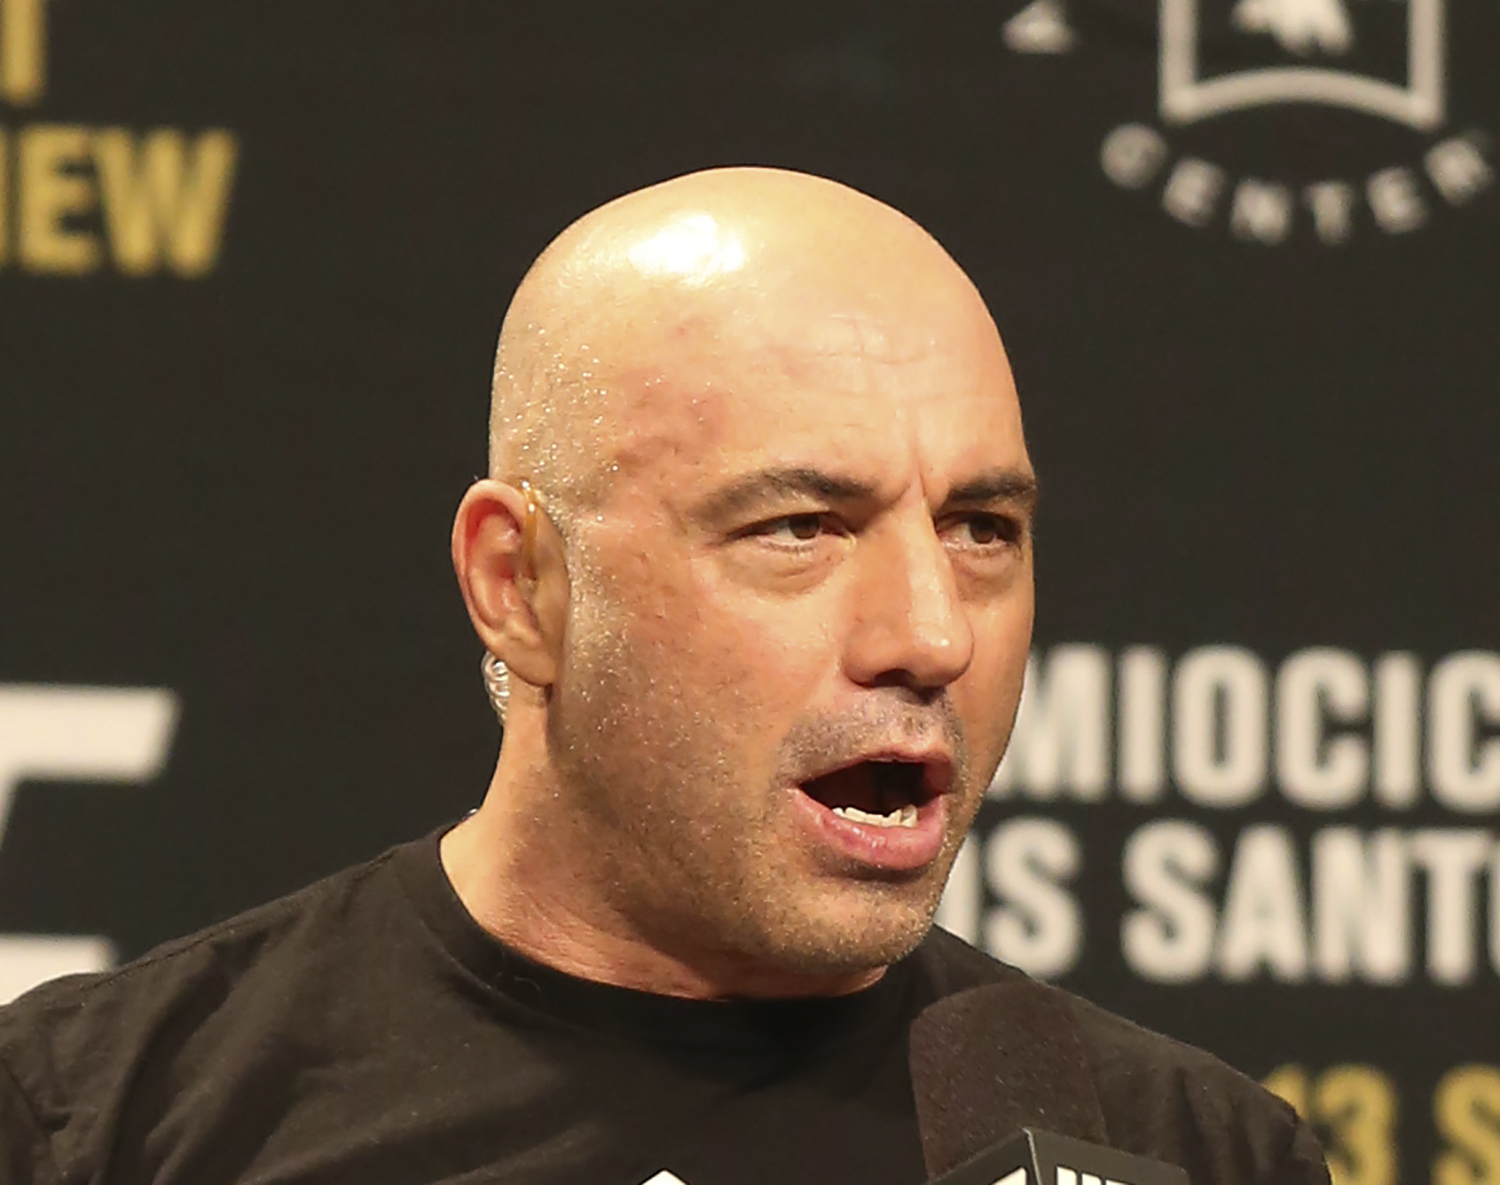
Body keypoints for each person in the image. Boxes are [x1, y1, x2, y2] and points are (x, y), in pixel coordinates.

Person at [0, 167, 1328, 1185]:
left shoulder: (1189, 1151)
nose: (934, 636)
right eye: (800, 527)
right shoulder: (98, 1123)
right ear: (520, 585)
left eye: (980, 528)